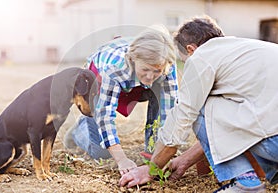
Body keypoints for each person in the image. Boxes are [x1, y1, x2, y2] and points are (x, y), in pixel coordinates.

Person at [119, 15, 278, 193]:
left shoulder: (201, 57)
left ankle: (246, 183)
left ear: (190, 49)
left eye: (184, 60)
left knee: (201, 103)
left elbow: (182, 119)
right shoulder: (253, 49)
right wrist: (186, 159)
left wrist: (151, 169)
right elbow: (226, 125)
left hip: (274, 143)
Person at [66, 25, 179, 176]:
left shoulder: (166, 66)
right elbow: (106, 117)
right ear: (133, 60)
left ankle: (151, 148)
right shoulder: (114, 69)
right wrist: (122, 160)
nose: (150, 77)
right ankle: (79, 129)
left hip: (134, 81)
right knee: (101, 152)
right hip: (98, 79)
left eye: (156, 71)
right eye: (145, 69)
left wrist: (160, 155)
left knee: (158, 89)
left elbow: (170, 111)